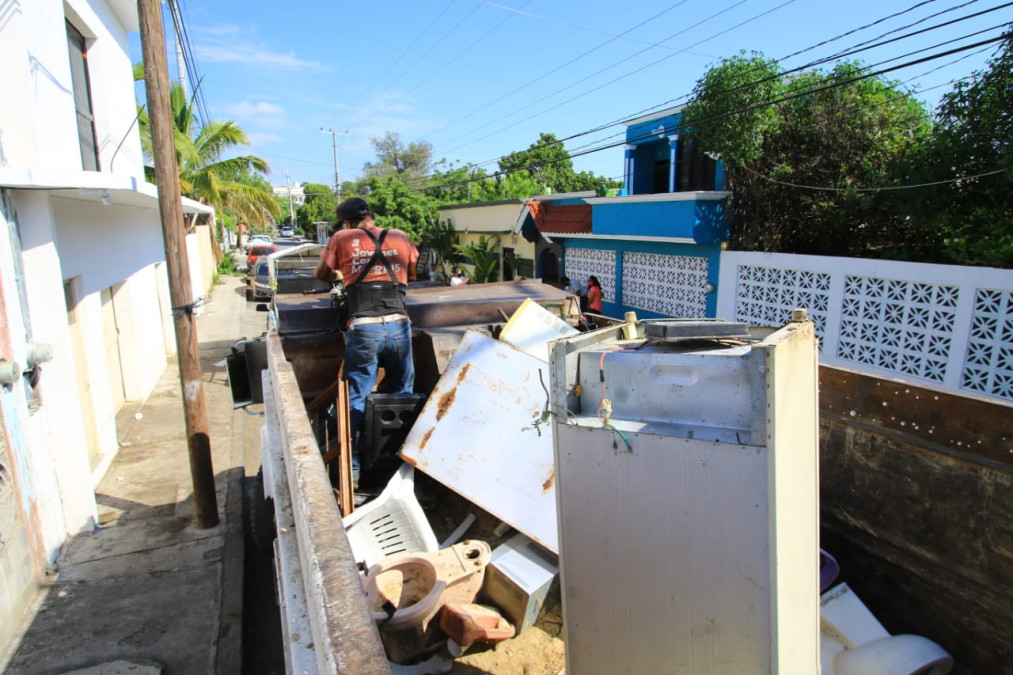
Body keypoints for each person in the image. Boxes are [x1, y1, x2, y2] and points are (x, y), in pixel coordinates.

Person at [315, 197, 419, 462]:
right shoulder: (399, 235)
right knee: (402, 395)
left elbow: (321, 274)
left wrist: (344, 273)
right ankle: (397, 460)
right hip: (399, 324)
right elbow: (413, 274)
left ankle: (354, 465)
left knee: (357, 396)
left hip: (363, 327)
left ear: (347, 222)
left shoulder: (342, 237)